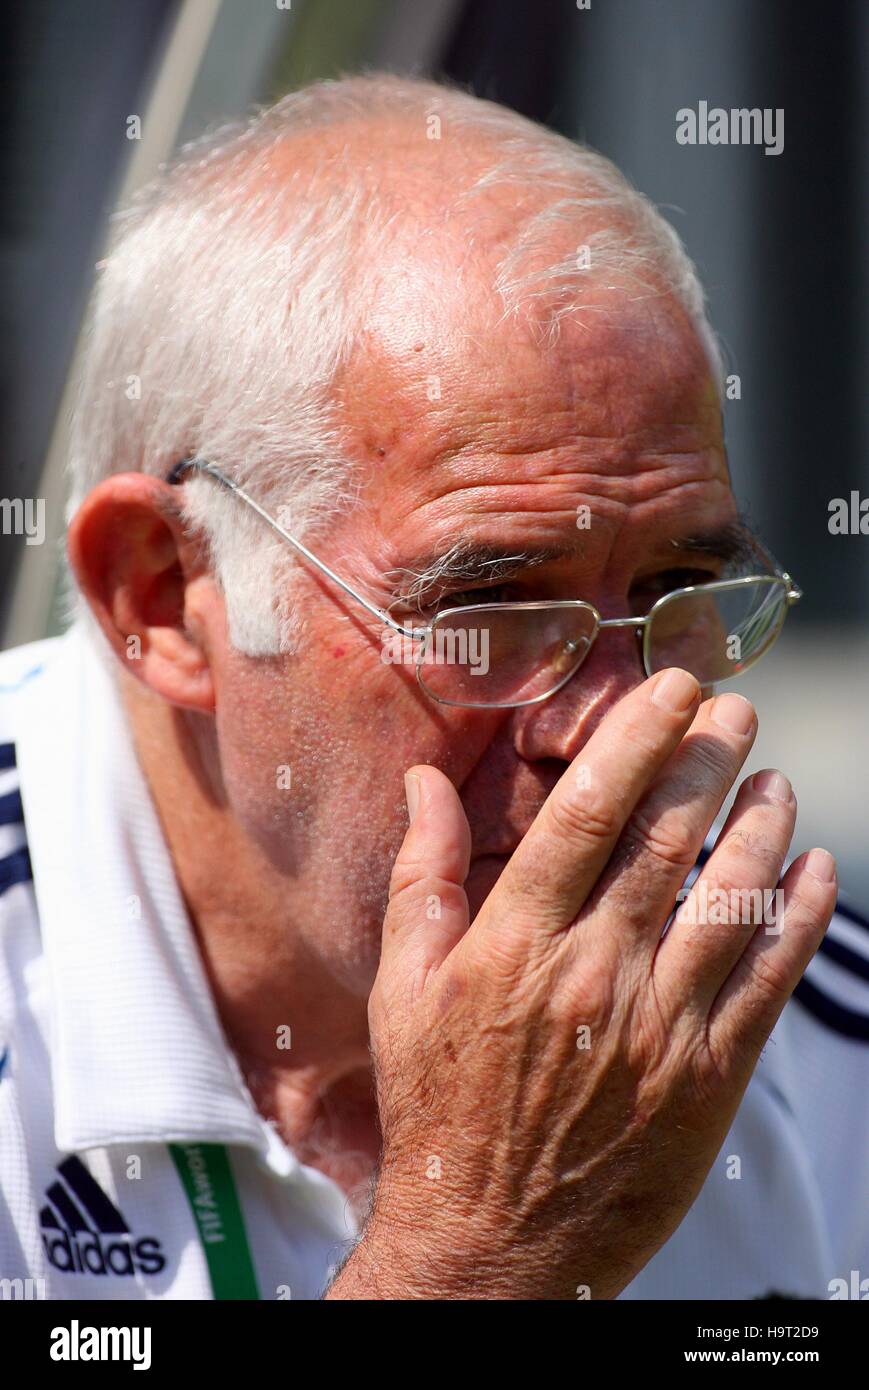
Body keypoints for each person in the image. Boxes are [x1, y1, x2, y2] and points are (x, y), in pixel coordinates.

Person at [1, 75, 865, 1302]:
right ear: (162, 597)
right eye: (494, 612)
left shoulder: (816, 1055)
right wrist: (475, 1253)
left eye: (678, 588)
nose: (618, 720)